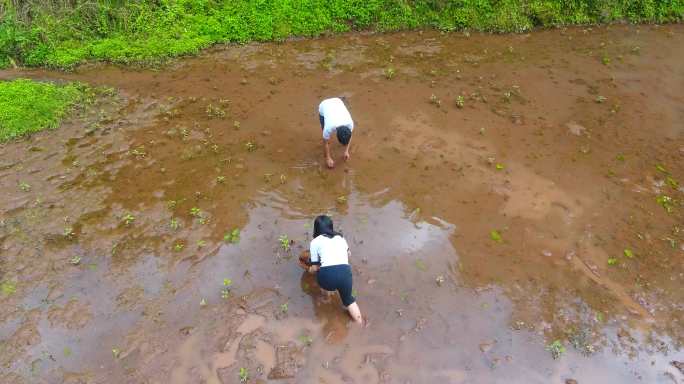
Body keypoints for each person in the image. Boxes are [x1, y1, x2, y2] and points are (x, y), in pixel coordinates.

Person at [300, 215, 363, 324]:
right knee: (349, 301)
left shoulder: (315, 242)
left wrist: (308, 270)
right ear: (331, 227)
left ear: (316, 229)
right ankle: (360, 323)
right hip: (345, 273)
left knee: (323, 275)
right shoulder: (341, 237)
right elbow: (349, 254)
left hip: (327, 277)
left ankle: (327, 296)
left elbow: (315, 267)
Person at [318, 97, 354, 169]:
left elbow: (350, 136)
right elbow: (325, 143)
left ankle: (344, 146)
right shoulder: (328, 127)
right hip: (324, 105)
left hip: (337, 101)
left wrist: (346, 151)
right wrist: (328, 158)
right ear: (336, 135)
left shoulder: (350, 123)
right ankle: (327, 155)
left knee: (344, 142)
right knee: (326, 138)